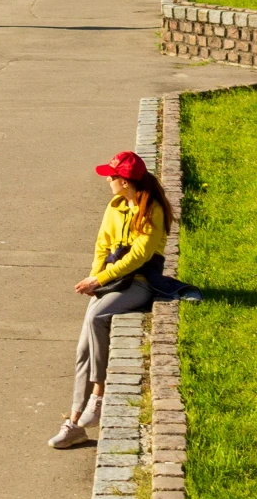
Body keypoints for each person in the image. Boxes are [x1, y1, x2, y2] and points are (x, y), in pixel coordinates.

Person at [49, 150, 172, 449]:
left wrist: (99, 280)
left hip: (140, 283)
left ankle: (99, 395)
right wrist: (95, 279)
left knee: (96, 318)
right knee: (82, 349)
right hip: (109, 282)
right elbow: (101, 246)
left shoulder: (152, 210)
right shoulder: (115, 206)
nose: (108, 180)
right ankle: (75, 422)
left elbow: (140, 256)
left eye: (112, 175)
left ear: (125, 180)